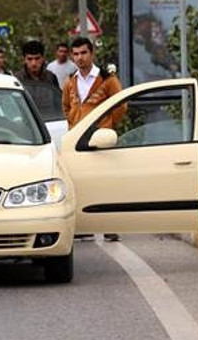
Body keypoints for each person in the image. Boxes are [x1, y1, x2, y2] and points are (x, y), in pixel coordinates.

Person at [61, 37, 126, 242]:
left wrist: (106, 124)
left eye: (83, 53)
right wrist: (73, 122)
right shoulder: (71, 81)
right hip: (78, 138)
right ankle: (85, 225)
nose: (80, 58)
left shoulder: (107, 79)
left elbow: (121, 106)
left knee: (106, 182)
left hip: (100, 137)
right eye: (76, 54)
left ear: (91, 54)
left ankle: (110, 226)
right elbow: (66, 107)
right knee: (81, 181)